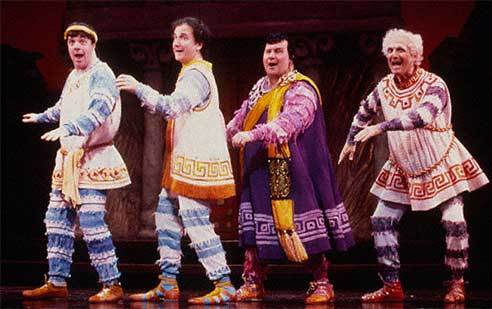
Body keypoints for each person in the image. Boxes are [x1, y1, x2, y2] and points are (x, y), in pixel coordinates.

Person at [338, 28, 489, 303]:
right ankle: (391, 285)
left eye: (401, 51)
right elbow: (364, 110)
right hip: (403, 164)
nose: (394, 55)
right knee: (381, 220)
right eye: (390, 51)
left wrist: (379, 128)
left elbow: (422, 116)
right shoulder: (384, 86)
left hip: (440, 160)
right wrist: (350, 141)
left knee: (454, 221)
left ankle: (457, 283)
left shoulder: (435, 84)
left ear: (416, 57)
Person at [227, 32, 355, 304]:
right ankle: (253, 280)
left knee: (298, 221)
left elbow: (290, 122)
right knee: (256, 224)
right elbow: (239, 120)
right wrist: (220, 133)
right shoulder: (259, 87)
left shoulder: (301, 88)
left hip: (289, 169)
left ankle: (321, 282)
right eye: (268, 52)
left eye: (278, 51)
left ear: (291, 57)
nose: (271, 57)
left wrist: (251, 136)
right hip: (259, 168)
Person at [116, 17, 237, 305]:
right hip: (183, 160)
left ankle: (224, 283)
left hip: (197, 159)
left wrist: (138, 87)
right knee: (166, 213)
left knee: (195, 219)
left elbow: (171, 107)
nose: (176, 43)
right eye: (174, 37)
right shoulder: (189, 71)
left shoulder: (196, 74)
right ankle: (168, 281)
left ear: (199, 44)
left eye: (184, 37)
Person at [21, 22, 131, 303]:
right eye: (72, 42)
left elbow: (99, 109)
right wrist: (43, 116)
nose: (77, 47)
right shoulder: (74, 75)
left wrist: (69, 128)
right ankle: (57, 281)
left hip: (93, 157)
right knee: (57, 220)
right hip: (69, 159)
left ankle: (112, 284)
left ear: (93, 44)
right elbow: (63, 106)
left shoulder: (102, 74)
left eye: (82, 41)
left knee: (92, 221)